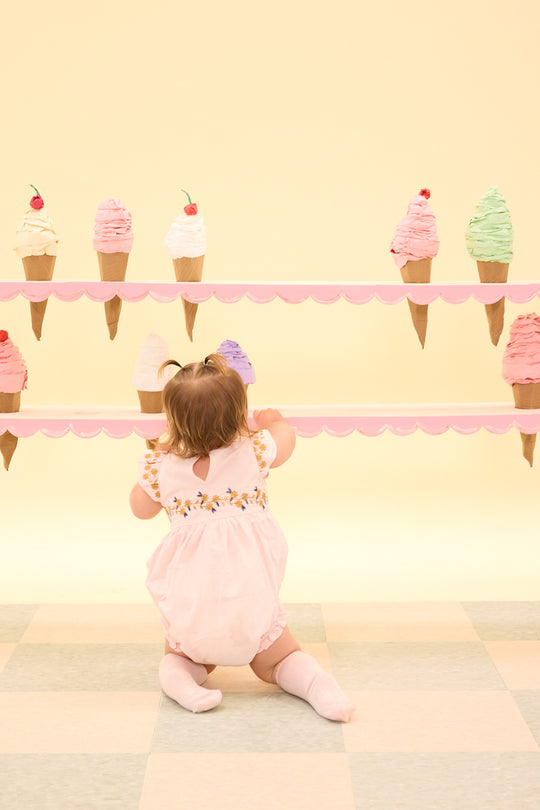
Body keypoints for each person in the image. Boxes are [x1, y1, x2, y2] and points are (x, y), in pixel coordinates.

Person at [130, 353, 355, 722]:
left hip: (193, 608)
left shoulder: (161, 467)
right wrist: (275, 423)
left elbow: (140, 508)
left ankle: (185, 685)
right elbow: (286, 442)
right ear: (239, 415)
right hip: (251, 602)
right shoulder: (254, 450)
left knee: (179, 659)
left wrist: (155, 466)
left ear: (172, 422)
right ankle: (319, 687)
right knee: (281, 659)